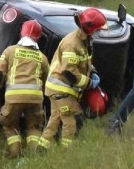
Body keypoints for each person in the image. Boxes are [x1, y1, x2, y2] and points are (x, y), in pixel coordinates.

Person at [40, 8, 107, 150]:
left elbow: (84, 61)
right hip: (61, 89)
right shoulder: (72, 44)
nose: (99, 32)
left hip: (60, 89)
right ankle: (68, 152)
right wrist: (89, 83)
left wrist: (93, 72)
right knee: (73, 121)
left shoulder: (85, 40)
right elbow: (69, 73)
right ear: (90, 29)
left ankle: (42, 149)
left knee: (55, 121)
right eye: (98, 29)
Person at [0, 20, 50, 157]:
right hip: (35, 98)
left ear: (21, 34)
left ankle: (15, 154)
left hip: (14, 96)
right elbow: (47, 81)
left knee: (10, 125)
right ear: (38, 38)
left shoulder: (10, 51)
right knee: (34, 127)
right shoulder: (42, 57)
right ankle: (35, 156)